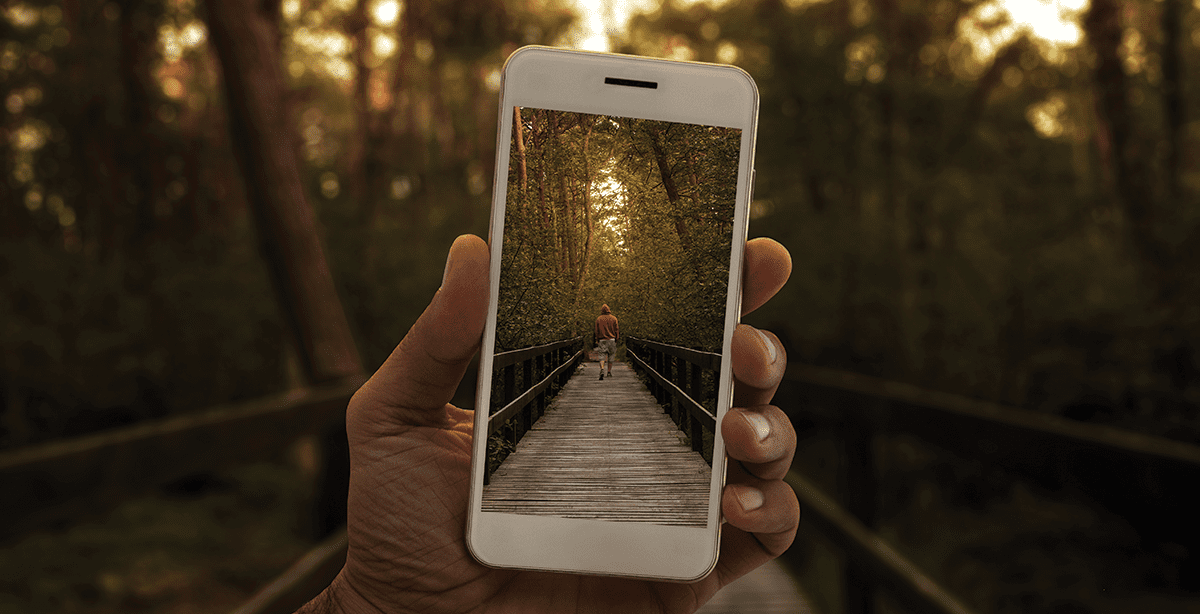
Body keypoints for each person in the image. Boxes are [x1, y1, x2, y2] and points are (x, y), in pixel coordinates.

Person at [297, 235, 798, 614]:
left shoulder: (600, 321)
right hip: (420, 596)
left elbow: (603, 332)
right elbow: (615, 332)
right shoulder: (611, 323)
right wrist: (370, 602)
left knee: (607, 363)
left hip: (598, 356)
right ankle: (605, 373)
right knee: (610, 362)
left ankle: (601, 373)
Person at [595, 304, 619, 380]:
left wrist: (597, 339)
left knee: (602, 356)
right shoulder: (614, 318)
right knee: (611, 356)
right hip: (612, 340)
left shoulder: (599, 319)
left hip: (602, 340)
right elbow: (616, 330)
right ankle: (609, 372)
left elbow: (596, 331)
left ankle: (602, 369)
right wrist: (617, 339)